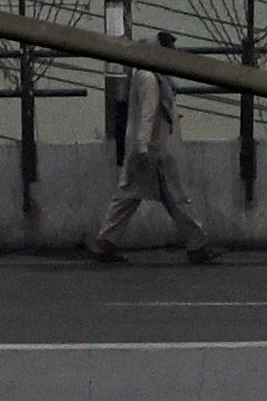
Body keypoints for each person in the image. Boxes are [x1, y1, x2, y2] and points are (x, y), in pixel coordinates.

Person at [85, 37, 221, 265]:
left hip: (149, 148)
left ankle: (105, 243)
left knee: (130, 195)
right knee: (175, 197)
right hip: (155, 150)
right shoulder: (150, 79)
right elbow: (147, 115)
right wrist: (143, 148)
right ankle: (197, 245)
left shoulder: (148, 75)